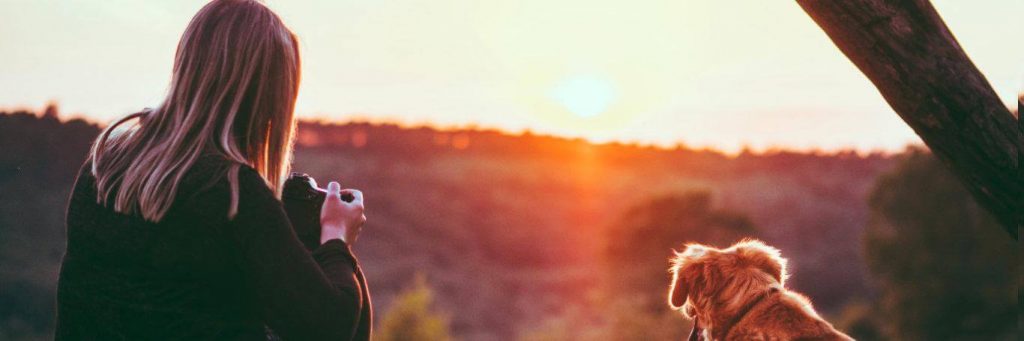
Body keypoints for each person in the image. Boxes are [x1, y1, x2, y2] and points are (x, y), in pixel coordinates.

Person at [54, 0, 372, 339]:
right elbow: (328, 326)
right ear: (267, 100)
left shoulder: (104, 168)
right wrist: (336, 236)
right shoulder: (234, 194)